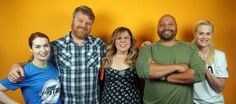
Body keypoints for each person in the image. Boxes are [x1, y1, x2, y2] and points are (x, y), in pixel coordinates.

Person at [8, 6, 106, 103]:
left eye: (88, 23)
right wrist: (16, 66)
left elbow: (116, 57)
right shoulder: (55, 46)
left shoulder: (99, 44)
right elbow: (35, 64)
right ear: (73, 20)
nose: (84, 25)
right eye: (80, 20)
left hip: (92, 101)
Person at [136, 14, 206, 104]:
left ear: (176, 27)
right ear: (157, 28)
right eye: (162, 24)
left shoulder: (191, 48)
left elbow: (198, 74)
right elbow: (143, 71)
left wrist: (161, 75)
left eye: (170, 24)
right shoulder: (147, 48)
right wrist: (178, 67)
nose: (166, 27)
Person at [0, 32, 61, 104]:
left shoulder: (53, 65)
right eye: (37, 47)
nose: (43, 50)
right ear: (31, 49)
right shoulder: (25, 72)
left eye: (45, 45)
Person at [100, 27, 142, 104]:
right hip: (108, 101)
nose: (123, 41)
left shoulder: (138, 56)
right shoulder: (106, 57)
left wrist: (148, 46)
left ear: (131, 40)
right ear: (114, 41)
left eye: (126, 38)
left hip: (133, 101)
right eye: (119, 38)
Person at [193, 20, 229, 104]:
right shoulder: (187, 53)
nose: (204, 37)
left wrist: (204, 68)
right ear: (195, 34)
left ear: (212, 35)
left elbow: (220, 88)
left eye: (208, 34)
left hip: (214, 102)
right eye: (201, 33)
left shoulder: (220, 56)